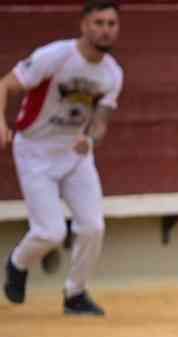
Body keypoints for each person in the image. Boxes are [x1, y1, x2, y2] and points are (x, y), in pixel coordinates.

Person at [2, 1, 123, 316]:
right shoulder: (55, 56)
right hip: (35, 151)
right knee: (50, 232)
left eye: (111, 23)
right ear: (83, 25)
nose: (105, 29)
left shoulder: (113, 73)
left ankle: (75, 293)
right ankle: (17, 262)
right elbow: (5, 85)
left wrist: (91, 138)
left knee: (93, 226)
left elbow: (101, 121)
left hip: (75, 153)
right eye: (98, 22)